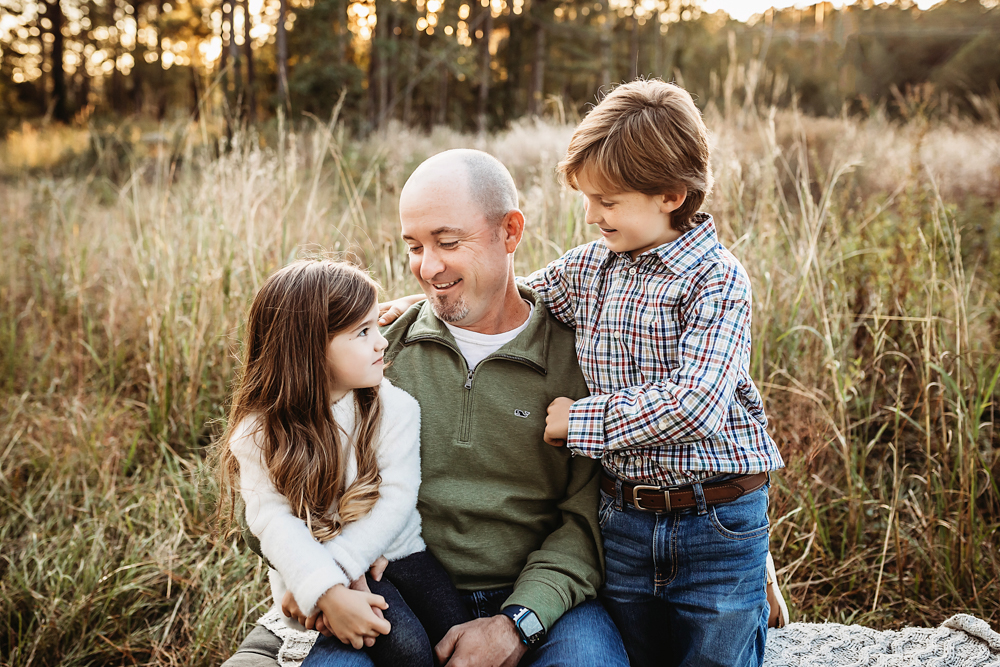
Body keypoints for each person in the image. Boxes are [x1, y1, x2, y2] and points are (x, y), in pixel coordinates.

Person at [221, 151, 630, 667]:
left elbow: (588, 518)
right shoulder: (371, 354)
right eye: (414, 246)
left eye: (448, 242)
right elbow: (268, 489)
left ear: (510, 231)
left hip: (542, 603)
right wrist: (312, 581)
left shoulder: (584, 357)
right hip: (389, 588)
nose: (428, 267)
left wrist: (517, 621)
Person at [519, 79, 787, 667]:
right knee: (635, 654)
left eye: (607, 202)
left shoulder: (717, 279)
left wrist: (580, 420)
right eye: (586, 198)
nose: (590, 215)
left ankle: (755, 577)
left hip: (716, 522)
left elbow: (697, 404)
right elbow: (516, 304)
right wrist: (416, 310)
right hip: (624, 524)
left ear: (669, 194)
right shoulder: (590, 268)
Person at [217, 260, 469, 667]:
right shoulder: (258, 432)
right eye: (363, 332)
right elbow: (272, 520)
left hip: (399, 551)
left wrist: (341, 567)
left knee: (455, 634)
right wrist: (326, 589)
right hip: (316, 566)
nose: (381, 342)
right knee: (407, 648)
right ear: (310, 348)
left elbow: (397, 499)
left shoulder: (395, 408)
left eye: (377, 327)